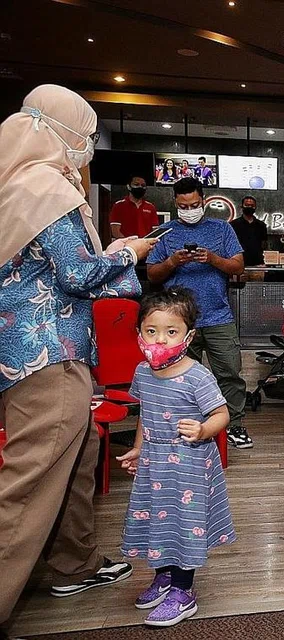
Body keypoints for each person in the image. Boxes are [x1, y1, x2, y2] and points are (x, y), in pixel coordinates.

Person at [0, 84, 156, 626]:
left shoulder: (13, 184)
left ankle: (73, 562)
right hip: (49, 354)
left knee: (79, 453)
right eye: (86, 137)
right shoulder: (46, 188)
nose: (88, 149)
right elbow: (77, 274)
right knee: (28, 486)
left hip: (23, 351)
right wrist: (128, 254)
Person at [116, 288, 235, 627]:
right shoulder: (142, 372)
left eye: (171, 331)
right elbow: (145, 415)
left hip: (189, 465)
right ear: (139, 332)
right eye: (151, 331)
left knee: (184, 524)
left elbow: (222, 414)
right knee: (158, 520)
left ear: (188, 336)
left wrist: (203, 430)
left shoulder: (197, 375)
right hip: (155, 464)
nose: (160, 339)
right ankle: (164, 576)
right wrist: (139, 448)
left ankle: (183, 591)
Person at [146, 177, 251, 449]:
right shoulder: (165, 232)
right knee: (180, 377)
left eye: (194, 205)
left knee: (230, 374)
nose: (189, 210)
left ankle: (234, 426)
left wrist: (212, 259)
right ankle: (186, 426)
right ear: (175, 203)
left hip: (218, 317)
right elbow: (152, 274)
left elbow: (238, 266)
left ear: (203, 201)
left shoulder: (222, 229)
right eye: (183, 206)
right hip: (178, 321)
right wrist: (172, 261)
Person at [109, 175, 159, 240]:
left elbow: (155, 230)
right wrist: (129, 243)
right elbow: (115, 231)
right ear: (129, 186)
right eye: (136, 184)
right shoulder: (118, 206)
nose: (140, 187)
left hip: (145, 245)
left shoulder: (151, 207)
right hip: (125, 245)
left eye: (143, 185)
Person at [230, 195, 268, 266]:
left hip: (258, 264)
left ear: (255, 207)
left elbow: (264, 244)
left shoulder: (261, 225)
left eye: (252, 205)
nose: (249, 207)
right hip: (239, 264)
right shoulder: (233, 225)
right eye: (247, 205)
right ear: (242, 207)